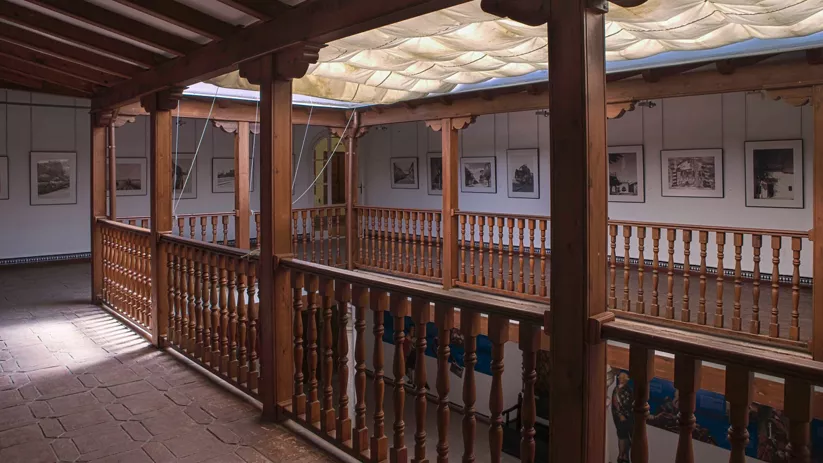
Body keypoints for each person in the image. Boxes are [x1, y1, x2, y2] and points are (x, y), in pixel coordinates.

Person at [611, 372, 633, 463]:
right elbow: (614, 404)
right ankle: (621, 455)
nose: (620, 378)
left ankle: (624, 456)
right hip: (618, 417)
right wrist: (618, 414)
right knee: (621, 436)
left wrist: (622, 414)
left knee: (624, 436)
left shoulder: (628, 390)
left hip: (625, 418)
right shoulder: (616, 389)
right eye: (620, 376)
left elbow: (627, 404)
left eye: (623, 376)